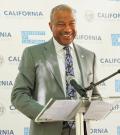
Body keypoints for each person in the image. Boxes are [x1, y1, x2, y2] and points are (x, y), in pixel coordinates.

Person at [11, 4, 101, 135]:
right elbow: (18, 95)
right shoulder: (33, 54)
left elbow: (95, 95)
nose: (68, 29)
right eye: (61, 24)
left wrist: (97, 106)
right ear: (50, 26)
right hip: (47, 130)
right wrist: (44, 113)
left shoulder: (89, 56)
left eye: (72, 23)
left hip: (81, 130)